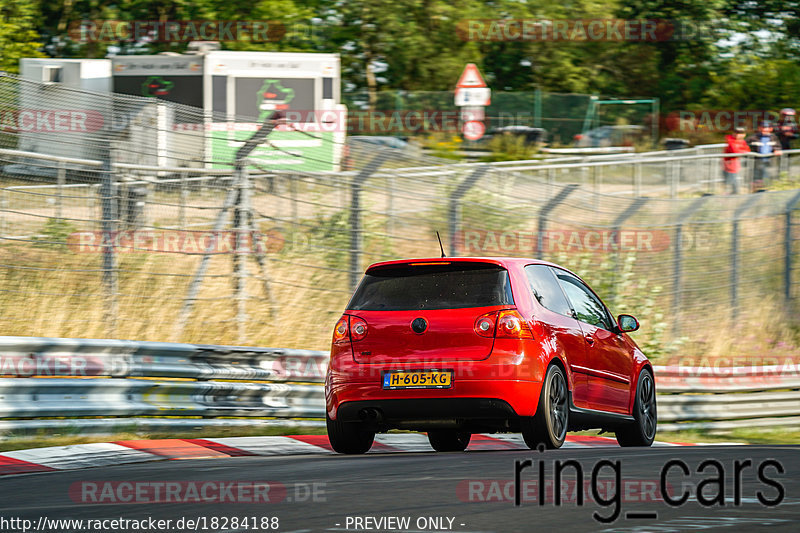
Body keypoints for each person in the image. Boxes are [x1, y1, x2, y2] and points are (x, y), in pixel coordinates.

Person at [747, 121, 782, 191]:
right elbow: (744, 145)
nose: (765, 130)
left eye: (767, 128)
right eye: (763, 127)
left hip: (769, 161)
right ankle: (756, 191)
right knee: (757, 177)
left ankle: (766, 190)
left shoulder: (774, 137)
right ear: (759, 128)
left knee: (768, 176)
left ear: (771, 129)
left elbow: (778, 146)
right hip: (757, 161)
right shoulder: (753, 137)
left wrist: (777, 150)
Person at [722, 126, 749, 194]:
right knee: (731, 177)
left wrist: (742, 151)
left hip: (735, 161)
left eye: (741, 133)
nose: (738, 135)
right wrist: (742, 151)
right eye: (737, 133)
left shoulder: (742, 141)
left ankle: (734, 191)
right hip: (729, 161)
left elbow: (747, 149)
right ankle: (733, 191)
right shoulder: (731, 140)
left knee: (733, 176)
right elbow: (735, 151)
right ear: (733, 133)